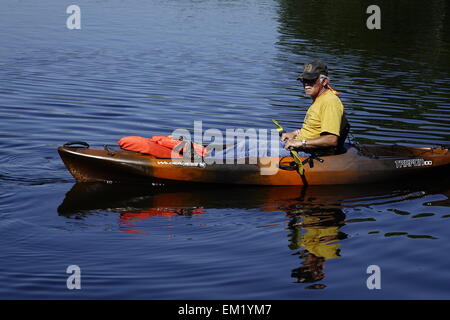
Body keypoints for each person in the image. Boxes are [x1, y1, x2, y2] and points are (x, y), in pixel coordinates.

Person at [282, 61, 349, 154]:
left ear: (324, 81)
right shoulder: (319, 99)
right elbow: (314, 128)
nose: (306, 84)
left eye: (311, 80)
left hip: (309, 152)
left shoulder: (330, 102)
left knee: (256, 155)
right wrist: (294, 134)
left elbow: (331, 139)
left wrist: (300, 142)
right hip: (298, 145)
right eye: (304, 80)